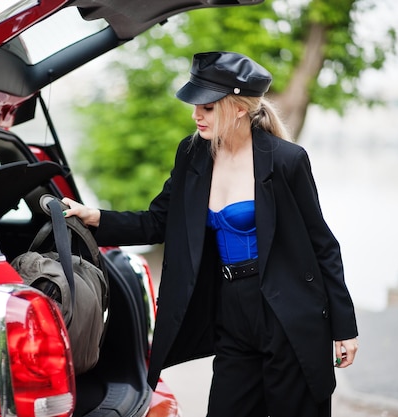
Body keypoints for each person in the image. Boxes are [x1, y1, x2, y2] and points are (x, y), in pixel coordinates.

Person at [62, 51, 358, 417]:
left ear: (236, 108)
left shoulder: (286, 160)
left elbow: (323, 244)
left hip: (287, 313)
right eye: (195, 105)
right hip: (231, 310)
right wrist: (96, 218)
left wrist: (344, 327)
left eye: (207, 106)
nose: (195, 114)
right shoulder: (193, 155)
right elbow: (158, 221)